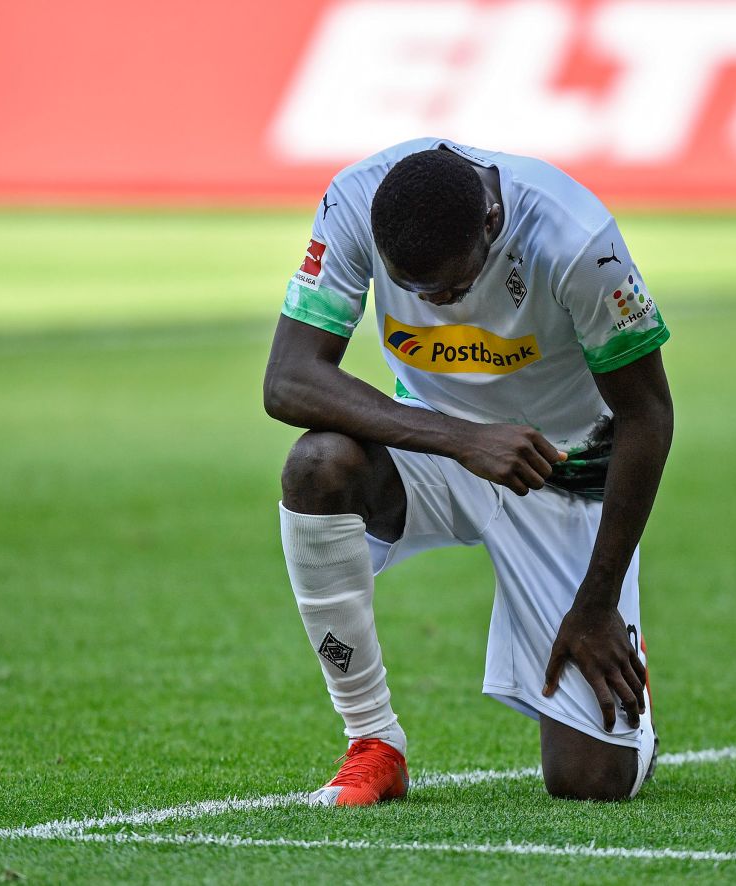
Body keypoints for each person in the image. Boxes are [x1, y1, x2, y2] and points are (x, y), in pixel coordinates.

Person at [263, 138, 673, 805]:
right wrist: (464, 439)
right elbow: (288, 379)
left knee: (591, 782)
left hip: (563, 470)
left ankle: (623, 648)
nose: (440, 302)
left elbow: (648, 416)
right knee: (318, 466)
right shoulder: (354, 202)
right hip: (440, 446)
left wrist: (596, 603)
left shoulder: (577, 240)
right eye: (417, 290)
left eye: (453, 286)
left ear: (491, 223)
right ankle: (373, 742)